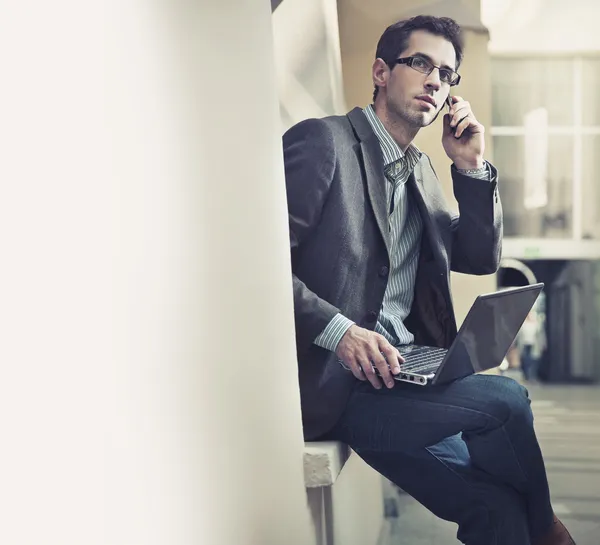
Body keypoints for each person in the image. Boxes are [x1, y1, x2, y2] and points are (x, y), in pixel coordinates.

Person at [282, 15, 575, 545]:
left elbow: (478, 255)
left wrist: (470, 167)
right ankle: (549, 531)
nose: (435, 80)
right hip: (343, 392)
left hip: (406, 376)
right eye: (420, 63)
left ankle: (527, 523)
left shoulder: (420, 169)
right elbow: (265, 269)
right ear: (380, 71)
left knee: (496, 508)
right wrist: (340, 330)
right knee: (506, 401)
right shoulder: (323, 144)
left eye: (446, 73)